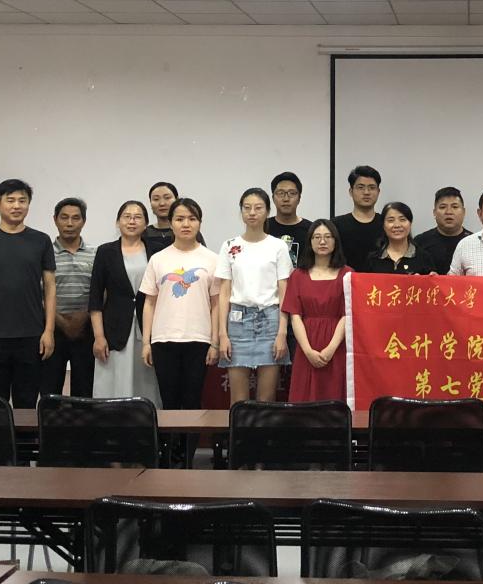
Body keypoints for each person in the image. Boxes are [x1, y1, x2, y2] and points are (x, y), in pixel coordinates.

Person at [0, 179, 56, 408]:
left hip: (32, 336)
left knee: (27, 404)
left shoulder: (41, 240)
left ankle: (24, 435)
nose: (16, 206)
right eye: (10, 200)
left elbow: (50, 287)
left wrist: (49, 331)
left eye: (22, 201)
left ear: (28, 205)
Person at [140, 198, 219, 464]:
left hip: (199, 339)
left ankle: (188, 458)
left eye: (192, 219)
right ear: (171, 223)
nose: (186, 224)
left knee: (192, 400)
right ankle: (169, 456)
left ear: (200, 223)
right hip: (164, 339)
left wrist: (215, 342)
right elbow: (149, 302)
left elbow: (217, 304)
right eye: (180, 219)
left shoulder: (212, 259)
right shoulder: (158, 259)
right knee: (169, 401)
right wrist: (146, 342)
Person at [216, 188, 293, 405]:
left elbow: (284, 290)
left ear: (267, 211)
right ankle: (239, 430)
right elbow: (224, 292)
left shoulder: (278, 246)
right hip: (238, 321)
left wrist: (282, 332)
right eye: (247, 208)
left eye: (258, 208)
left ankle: (263, 430)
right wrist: (223, 334)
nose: (252, 212)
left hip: (270, 320)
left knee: (266, 399)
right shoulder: (230, 246)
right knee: (238, 400)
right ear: (241, 211)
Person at [89, 201, 161, 403]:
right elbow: (95, 297)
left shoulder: (156, 251)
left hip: (148, 327)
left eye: (137, 217)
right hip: (114, 328)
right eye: (126, 217)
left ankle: (146, 419)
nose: (132, 221)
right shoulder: (105, 252)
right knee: (115, 382)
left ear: (146, 224)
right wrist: (98, 336)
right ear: (117, 222)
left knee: (147, 381)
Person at [282, 219, 353, 401]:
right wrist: (307, 351)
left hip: (337, 344)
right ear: (310, 241)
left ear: (335, 241)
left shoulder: (348, 274)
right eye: (317, 237)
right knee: (305, 398)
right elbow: (295, 316)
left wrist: (331, 348)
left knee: (335, 396)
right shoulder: (298, 275)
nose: (322, 241)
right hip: (306, 343)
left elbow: (347, 315)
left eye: (328, 237)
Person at [40, 197, 96, 398]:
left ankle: (80, 420)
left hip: (85, 328)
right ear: (55, 220)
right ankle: (49, 419)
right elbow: (36, 292)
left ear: (84, 221)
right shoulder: (43, 254)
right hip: (51, 328)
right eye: (64, 218)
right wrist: (59, 320)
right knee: (50, 390)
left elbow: (101, 291)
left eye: (75, 218)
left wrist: (85, 316)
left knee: (84, 391)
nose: (69, 223)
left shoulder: (96, 254)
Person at [332, 165, 384, 272]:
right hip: (345, 281)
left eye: (372, 187)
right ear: (351, 191)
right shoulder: (336, 225)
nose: (366, 192)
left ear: (378, 192)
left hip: (379, 282)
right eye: (361, 187)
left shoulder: (386, 224)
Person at [364, 202, 435, 274]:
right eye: (391, 220)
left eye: (402, 219)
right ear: (383, 225)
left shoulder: (423, 258)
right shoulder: (373, 259)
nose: (397, 225)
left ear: (410, 223)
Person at [414, 187, 472, 275]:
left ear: (463, 212)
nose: (449, 212)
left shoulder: (474, 242)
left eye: (455, 207)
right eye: (443, 207)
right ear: (434, 212)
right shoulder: (420, 242)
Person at [143, 181, 205, 254]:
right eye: (156, 199)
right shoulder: (145, 233)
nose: (162, 203)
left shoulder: (188, 231)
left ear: (177, 199)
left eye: (167, 198)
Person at [266, 171, 312, 268]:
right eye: (281, 193)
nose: (286, 199)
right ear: (273, 198)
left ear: (299, 198)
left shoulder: (311, 230)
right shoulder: (263, 227)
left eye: (292, 193)